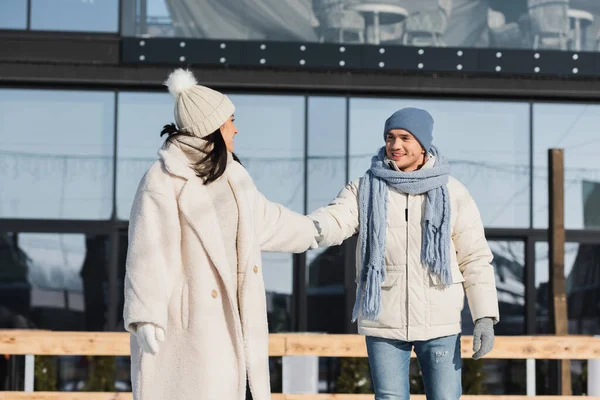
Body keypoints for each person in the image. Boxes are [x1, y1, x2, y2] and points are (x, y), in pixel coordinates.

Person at [123, 68, 318, 400]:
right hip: (191, 330)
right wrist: (145, 315)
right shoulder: (163, 178)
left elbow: (269, 222)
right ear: (210, 127)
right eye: (230, 121)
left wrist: (319, 228)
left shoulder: (235, 177)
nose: (236, 128)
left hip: (238, 330)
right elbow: (148, 249)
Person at [309, 107, 500, 400]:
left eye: (405, 138)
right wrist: (302, 229)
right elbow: (335, 220)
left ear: (422, 144)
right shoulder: (365, 189)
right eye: (390, 137)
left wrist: (484, 316)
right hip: (384, 318)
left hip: (439, 320)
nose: (395, 145)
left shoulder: (452, 192)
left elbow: (474, 257)